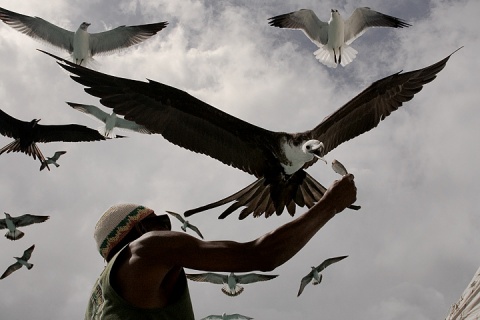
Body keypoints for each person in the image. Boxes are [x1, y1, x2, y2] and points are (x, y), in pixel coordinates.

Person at [85, 174, 357, 319]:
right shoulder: (149, 247)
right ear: (141, 230)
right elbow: (262, 255)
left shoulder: (99, 301)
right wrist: (330, 204)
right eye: (161, 223)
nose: (170, 230)